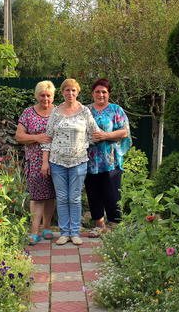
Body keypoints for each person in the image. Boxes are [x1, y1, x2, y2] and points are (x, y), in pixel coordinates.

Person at [41, 78, 101, 246]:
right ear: (62, 92)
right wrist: (45, 162)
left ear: (78, 92)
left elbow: (94, 133)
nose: (70, 93)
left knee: (74, 198)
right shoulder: (56, 112)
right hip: (57, 162)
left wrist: (84, 144)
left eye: (73, 90)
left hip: (79, 162)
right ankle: (64, 233)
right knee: (61, 197)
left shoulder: (84, 111)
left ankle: (74, 232)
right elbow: (47, 138)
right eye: (67, 90)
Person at [86, 78, 131, 237]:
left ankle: (115, 227)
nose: (100, 94)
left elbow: (124, 132)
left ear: (108, 94)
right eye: (97, 91)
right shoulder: (85, 111)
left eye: (104, 92)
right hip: (90, 162)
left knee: (112, 194)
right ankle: (99, 226)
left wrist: (106, 135)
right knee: (93, 193)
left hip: (111, 161)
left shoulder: (116, 110)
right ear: (92, 94)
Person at [15, 80, 56, 245]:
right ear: (37, 95)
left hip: (56, 160)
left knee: (51, 194)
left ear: (53, 96)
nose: (45, 98)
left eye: (48, 95)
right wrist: (36, 138)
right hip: (35, 161)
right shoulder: (28, 113)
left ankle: (46, 227)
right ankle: (34, 231)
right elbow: (19, 137)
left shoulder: (59, 112)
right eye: (42, 95)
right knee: (37, 196)